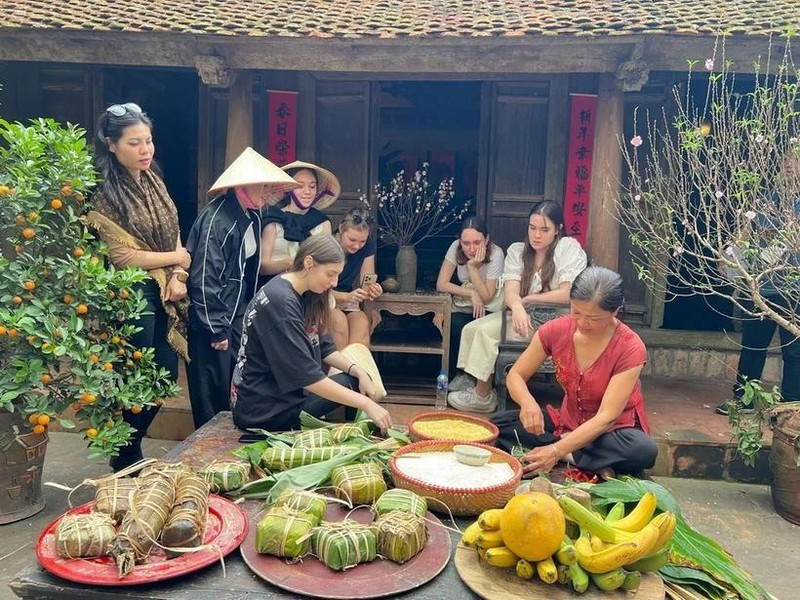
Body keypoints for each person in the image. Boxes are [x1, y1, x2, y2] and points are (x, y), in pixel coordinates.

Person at [88, 102, 189, 471]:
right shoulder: (104, 193)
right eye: (134, 143)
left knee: (163, 375)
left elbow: (175, 232)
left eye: (148, 141)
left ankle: (127, 448)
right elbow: (123, 257)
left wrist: (178, 275)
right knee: (135, 376)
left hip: (165, 288)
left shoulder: (154, 181)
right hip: (131, 293)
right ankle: (127, 454)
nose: (145, 150)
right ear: (111, 144)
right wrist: (176, 260)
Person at [492, 266, 658, 479]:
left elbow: (607, 417)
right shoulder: (555, 330)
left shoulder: (630, 347)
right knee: (499, 425)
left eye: (594, 318)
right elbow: (515, 375)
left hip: (613, 431)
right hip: (567, 422)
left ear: (616, 311)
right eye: (576, 312)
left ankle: (564, 452)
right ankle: (585, 458)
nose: (582, 322)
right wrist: (527, 402)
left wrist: (555, 450)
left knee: (643, 450)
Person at [184, 147, 300, 429]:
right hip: (212, 319)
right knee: (211, 390)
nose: (268, 191)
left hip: (236, 313)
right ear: (242, 185)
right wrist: (217, 328)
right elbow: (204, 278)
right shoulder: (217, 219)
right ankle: (208, 450)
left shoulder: (252, 216)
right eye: (263, 185)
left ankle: (229, 440)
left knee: (235, 384)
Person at [231, 233, 392, 433]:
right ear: (309, 263)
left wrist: (358, 371)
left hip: (286, 396)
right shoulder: (280, 302)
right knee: (358, 394)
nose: (334, 282)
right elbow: (308, 377)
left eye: (338, 275)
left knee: (356, 379)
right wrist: (367, 404)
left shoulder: (307, 293)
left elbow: (325, 348)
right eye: (330, 274)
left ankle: (359, 429)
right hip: (264, 410)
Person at [447, 200, 587, 413]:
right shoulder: (518, 251)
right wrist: (519, 308)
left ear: (557, 230)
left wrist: (530, 300)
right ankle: (481, 388)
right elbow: (511, 292)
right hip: (521, 317)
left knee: (485, 332)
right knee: (471, 328)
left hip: (555, 322)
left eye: (544, 229)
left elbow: (568, 294)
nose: (536, 235)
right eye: (532, 228)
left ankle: (482, 397)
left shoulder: (568, 248)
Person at [717, 155, 800, 415]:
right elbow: (747, 230)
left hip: (794, 290)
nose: (788, 164)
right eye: (787, 160)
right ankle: (744, 398)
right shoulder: (768, 198)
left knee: (794, 352)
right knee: (752, 345)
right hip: (761, 287)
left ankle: (789, 406)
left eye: (795, 160)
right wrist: (731, 256)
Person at [435, 217, 505, 381]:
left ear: (486, 240)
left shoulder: (496, 254)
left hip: (489, 308)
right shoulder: (455, 248)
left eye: (477, 242)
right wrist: (472, 294)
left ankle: (473, 379)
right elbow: (441, 284)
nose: (471, 248)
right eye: (466, 243)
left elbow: (487, 297)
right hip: (465, 304)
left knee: (474, 328)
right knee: (453, 324)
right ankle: (456, 376)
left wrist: (472, 267)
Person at [260, 160, 338, 279]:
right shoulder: (273, 219)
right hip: (274, 287)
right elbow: (262, 267)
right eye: (300, 186)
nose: (307, 192)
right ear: (288, 188)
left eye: (312, 186)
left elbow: (326, 262)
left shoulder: (322, 223)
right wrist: (292, 262)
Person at [330, 206, 383, 350]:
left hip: (348, 300)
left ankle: (357, 369)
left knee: (361, 322)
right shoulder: (329, 246)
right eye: (352, 239)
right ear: (341, 229)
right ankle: (338, 370)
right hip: (325, 299)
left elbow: (367, 279)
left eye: (362, 241)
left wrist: (372, 289)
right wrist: (346, 297)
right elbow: (318, 290)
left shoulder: (367, 246)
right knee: (338, 321)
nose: (357, 246)